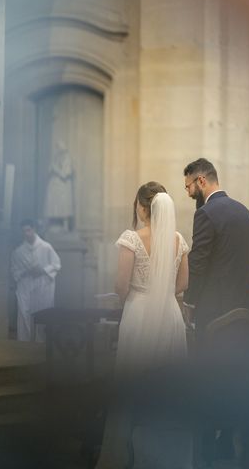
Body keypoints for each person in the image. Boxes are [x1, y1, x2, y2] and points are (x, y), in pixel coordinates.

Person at [96, 182, 191, 469]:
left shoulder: (132, 238)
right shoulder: (178, 240)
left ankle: (123, 454)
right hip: (170, 315)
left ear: (141, 206)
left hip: (138, 313)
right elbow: (184, 284)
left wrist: (127, 298)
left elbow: (121, 285)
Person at [182, 158, 249, 335]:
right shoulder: (245, 211)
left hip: (216, 311)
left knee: (212, 362)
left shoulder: (205, 213)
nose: (188, 193)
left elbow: (197, 263)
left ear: (201, 180)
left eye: (188, 187)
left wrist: (189, 302)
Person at [10, 219, 61, 342]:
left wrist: (43, 270)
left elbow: (56, 264)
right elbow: (14, 270)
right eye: (24, 231)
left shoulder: (46, 247)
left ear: (34, 230)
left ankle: (42, 342)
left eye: (28, 230)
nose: (26, 233)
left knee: (42, 312)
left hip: (43, 284)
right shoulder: (18, 252)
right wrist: (25, 271)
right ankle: (25, 341)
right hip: (26, 285)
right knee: (25, 313)